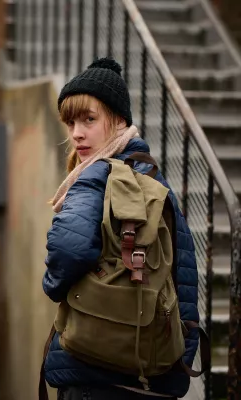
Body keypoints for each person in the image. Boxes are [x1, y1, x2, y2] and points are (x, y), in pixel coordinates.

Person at [42, 58, 199, 400]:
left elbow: (68, 249)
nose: (76, 133)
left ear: (119, 120)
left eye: (89, 119)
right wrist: (179, 358)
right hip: (152, 375)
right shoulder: (154, 179)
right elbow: (184, 271)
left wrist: (53, 285)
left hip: (92, 374)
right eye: (70, 122)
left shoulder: (96, 176)